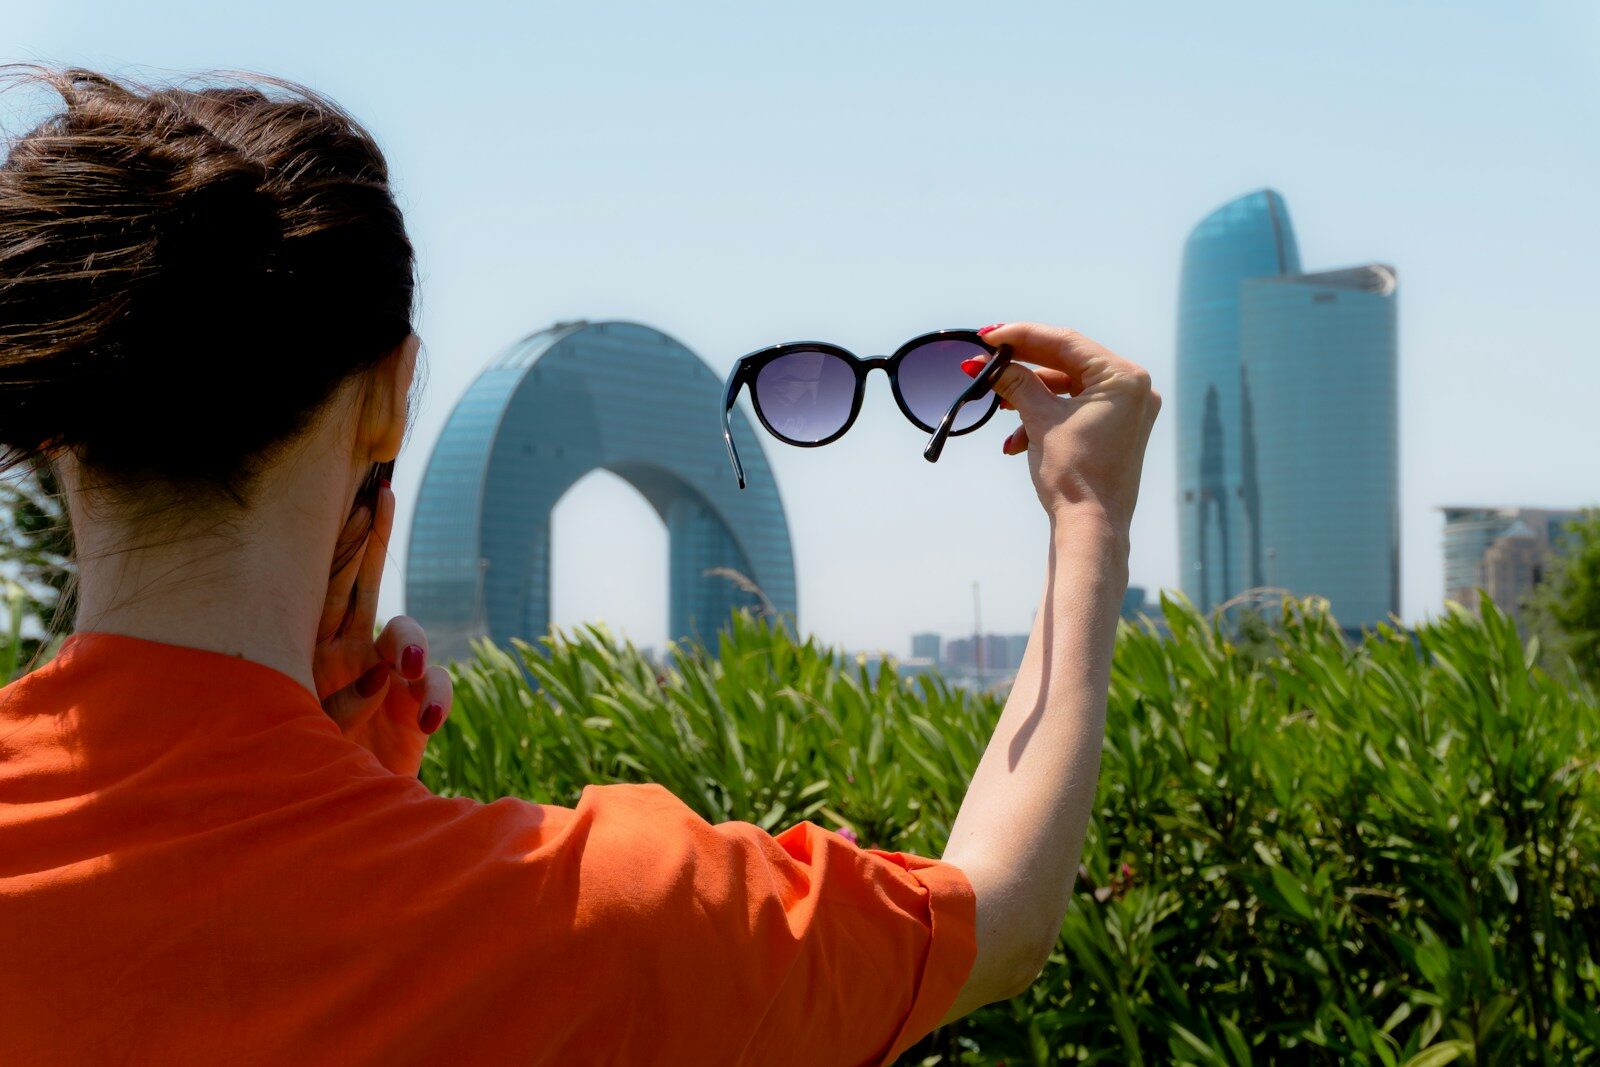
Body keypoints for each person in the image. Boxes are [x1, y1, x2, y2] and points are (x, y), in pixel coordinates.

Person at [0, 67, 1159, 1066]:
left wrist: (322, 778)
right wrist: (1088, 512)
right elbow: (997, 917)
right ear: (390, 395)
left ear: (50, 407)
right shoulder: (594, 915)